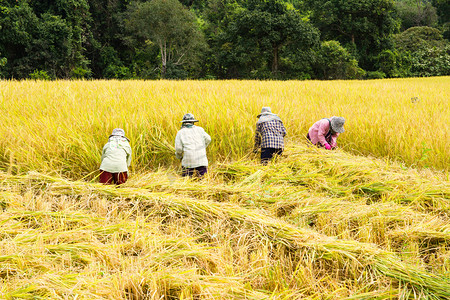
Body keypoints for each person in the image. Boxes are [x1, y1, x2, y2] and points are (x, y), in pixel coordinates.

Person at [175, 113, 211, 177]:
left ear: (183, 123)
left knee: (187, 180)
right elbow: (208, 139)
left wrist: (179, 156)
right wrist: (203, 147)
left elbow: (179, 149)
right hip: (201, 159)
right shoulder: (200, 129)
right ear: (193, 122)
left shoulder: (180, 132)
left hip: (188, 160)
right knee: (203, 180)